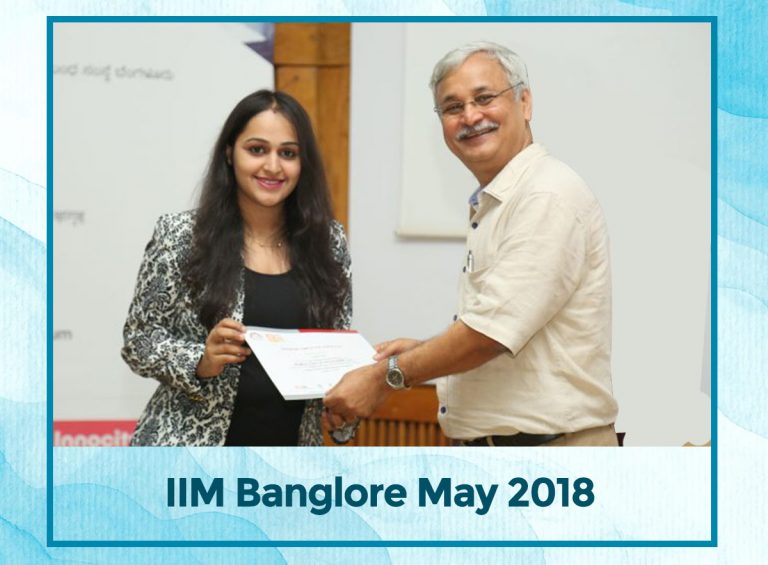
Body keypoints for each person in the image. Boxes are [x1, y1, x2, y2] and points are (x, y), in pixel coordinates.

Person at [323, 42, 619, 447]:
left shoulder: (546, 195)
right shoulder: (501, 200)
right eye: (452, 107)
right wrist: (421, 351)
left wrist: (385, 376)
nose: (471, 116)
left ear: (525, 102)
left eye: (484, 98)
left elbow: (487, 336)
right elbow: (500, 327)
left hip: (551, 458)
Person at [122, 89, 353, 446]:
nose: (273, 166)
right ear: (230, 153)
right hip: (190, 457)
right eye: (257, 149)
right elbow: (139, 341)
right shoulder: (180, 236)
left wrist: (342, 411)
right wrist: (202, 360)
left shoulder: (329, 241)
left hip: (290, 461)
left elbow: (335, 348)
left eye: (288, 153)